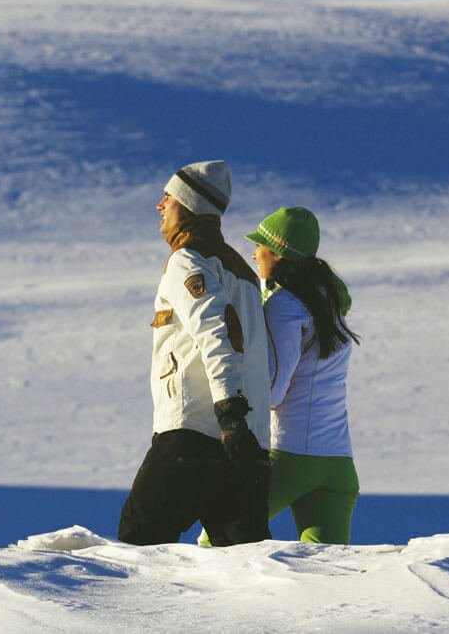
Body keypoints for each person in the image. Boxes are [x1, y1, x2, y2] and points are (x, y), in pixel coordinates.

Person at [117, 160, 273, 547]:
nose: (159, 205)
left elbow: (217, 332)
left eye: (167, 198)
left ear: (187, 206)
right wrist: (241, 428)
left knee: (139, 540)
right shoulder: (244, 273)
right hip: (245, 444)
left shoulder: (189, 260)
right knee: (243, 563)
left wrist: (229, 411)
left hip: (196, 433)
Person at [246, 206, 361, 544]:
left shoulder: (285, 306)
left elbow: (272, 389)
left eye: (259, 246)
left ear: (278, 253)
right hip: (338, 464)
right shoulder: (328, 304)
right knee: (328, 577)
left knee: (216, 542)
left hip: (291, 456)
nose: (254, 254)